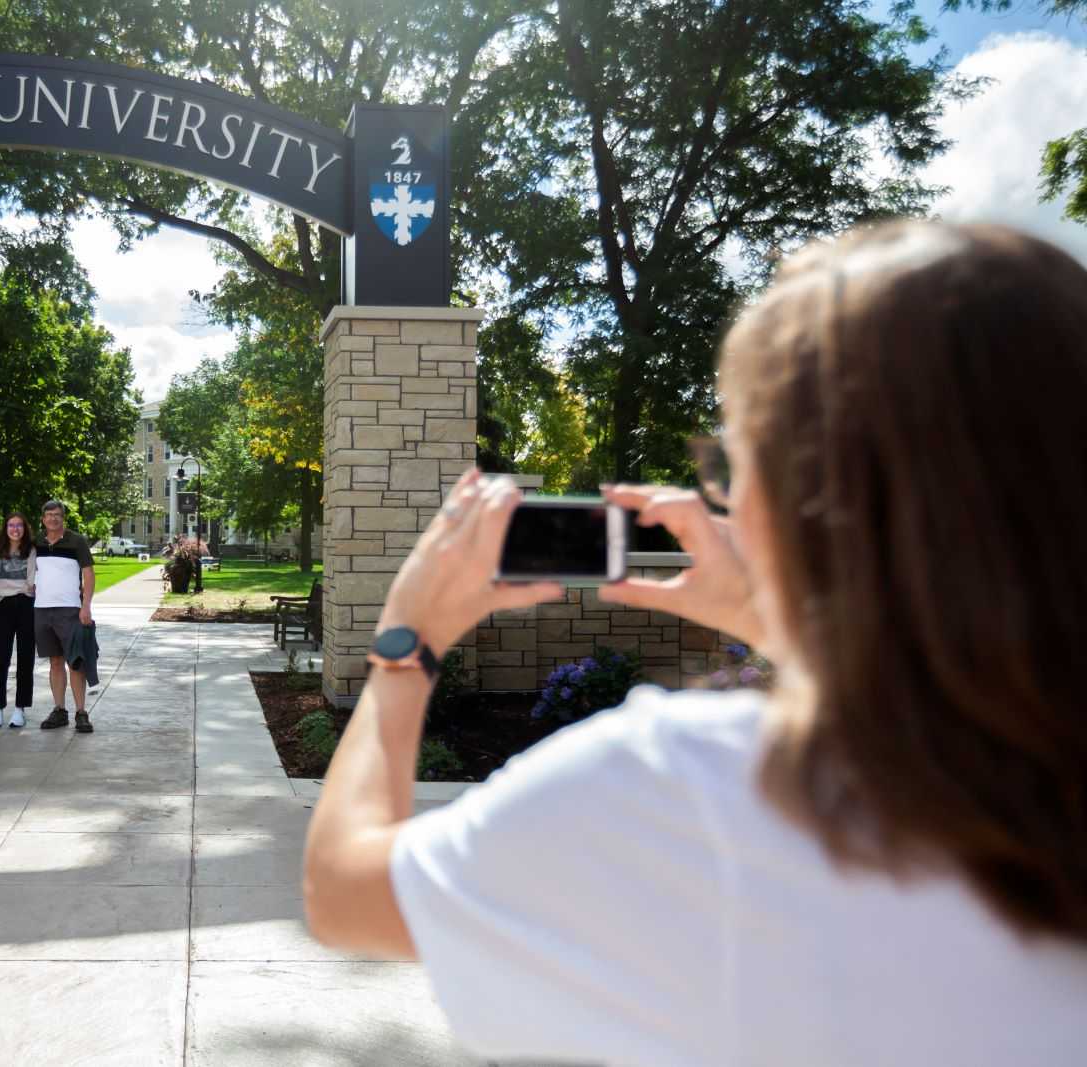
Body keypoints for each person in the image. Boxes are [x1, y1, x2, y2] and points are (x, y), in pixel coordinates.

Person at [301, 221, 1087, 1065]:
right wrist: (784, 625)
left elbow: (346, 889)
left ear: (801, 498)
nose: (728, 498)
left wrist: (409, 641)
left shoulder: (692, 793)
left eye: (735, 464)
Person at [32, 500, 97, 732]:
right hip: (41, 609)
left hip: (70, 609)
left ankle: (81, 712)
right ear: (43, 519)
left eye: (57, 515)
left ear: (63, 518)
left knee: (76, 662)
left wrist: (86, 606)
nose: (53, 519)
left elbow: (88, 574)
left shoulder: (76, 541)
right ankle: (59, 710)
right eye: (49, 515)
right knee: (55, 661)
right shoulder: (36, 542)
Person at [0, 511, 38, 728]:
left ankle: (20, 709)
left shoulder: (31, 550)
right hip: (3, 606)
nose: (15, 529)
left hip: (26, 605)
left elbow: (31, 580)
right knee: (0, 658)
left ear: (25, 528)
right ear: (5, 528)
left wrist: (23, 590)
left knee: (25, 658)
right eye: (11, 525)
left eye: (19, 525)